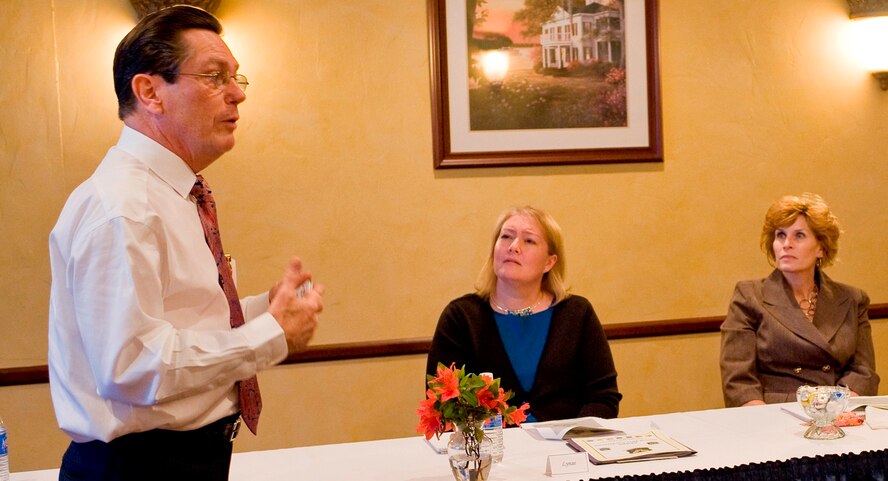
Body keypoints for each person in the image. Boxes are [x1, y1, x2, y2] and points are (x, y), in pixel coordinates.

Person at [47, 6, 323, 480]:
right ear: (149, 91)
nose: (237, 94)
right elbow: (132, 365)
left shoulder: (175, 194)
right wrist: (269, 335)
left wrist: (264, 310)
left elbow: (181, 322)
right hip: (139, 468)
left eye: (238, 78)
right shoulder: (123, 206)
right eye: (215, 77)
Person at [426, 206, 621, 422]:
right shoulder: (461, 317)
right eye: (506, 237)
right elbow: (443, 402)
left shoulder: (577, 314)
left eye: (529, 241)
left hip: (565, 449)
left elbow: (603, 398)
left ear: (549, 262)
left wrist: (573, 439)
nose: (513, 247)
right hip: (488, 450)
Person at [720, 193, 878, 407]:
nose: (787, 244)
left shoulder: (852, 299)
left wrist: (837, 412)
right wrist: (763, 425)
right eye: (780, 235)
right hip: (773, 414)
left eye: (799, 235)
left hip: (838, 411)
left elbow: (863, 372)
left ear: (821, 247)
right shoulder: (749, 296)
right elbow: (739, 380)